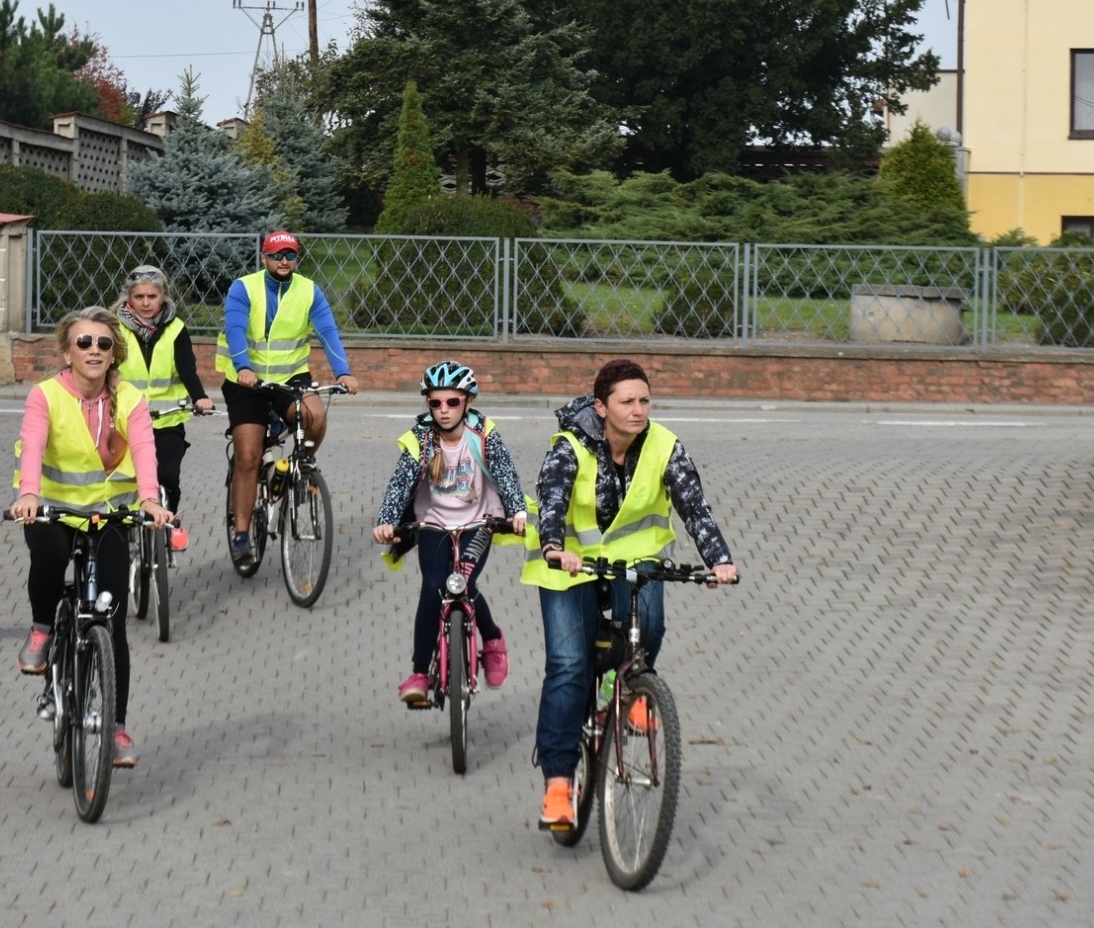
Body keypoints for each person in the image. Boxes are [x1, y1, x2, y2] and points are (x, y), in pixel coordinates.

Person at [526, 358, 738, 829]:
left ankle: (626, 691)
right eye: (627, 401)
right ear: (601, 407)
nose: (639, 410)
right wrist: (555, 546)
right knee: (567, 667)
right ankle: (559, 784)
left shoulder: (665, 446)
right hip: (569, 564)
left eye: (645, 400)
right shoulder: (570, 446)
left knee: (650, 624)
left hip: (632, 559)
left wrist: (718, 559)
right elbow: (553, 496)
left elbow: (694, 506)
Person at [10, 306, 174, 769]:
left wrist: (149, 500)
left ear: (114, 352)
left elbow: (144, 448)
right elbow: (34, 444)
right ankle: (43, 629)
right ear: (67, 351)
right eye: (84, 343)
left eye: (103, 343)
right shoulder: (45, 396)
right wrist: (28, 494)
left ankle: (116, 727)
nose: (94, 350)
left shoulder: (130, 399)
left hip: (109, 516)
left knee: (114, 621)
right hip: (53, 509)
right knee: (48, 557)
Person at [373, 360, 529, 703]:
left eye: (452, 402)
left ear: (468, 402)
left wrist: (517, 511)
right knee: (432, 585)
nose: (444, 411)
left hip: (479, 523)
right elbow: (400, 483)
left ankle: (491, 641)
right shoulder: (422, 438)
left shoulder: (484, 433)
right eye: (435, 403)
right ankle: (419, 672)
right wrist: (387, 520)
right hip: (434, 523)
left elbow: (505, 472)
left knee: (465, 584)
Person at [219, 230, 358, 565]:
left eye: (290, 255)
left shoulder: (309, 290)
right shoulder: (244, 287)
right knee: (249, 456)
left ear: (297, 259)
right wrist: (243, 367)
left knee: (315, 418)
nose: (284, 261)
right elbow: (235, 329)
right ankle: (241, 535)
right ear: (264, 257)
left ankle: (300, 469)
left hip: (290, 377)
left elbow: (327, 332)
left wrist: (343, 372)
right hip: (246, 381)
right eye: (277, 255)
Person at [116, 264, 214, 550]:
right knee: (123, 480)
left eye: (152, 297)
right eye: (139, 297)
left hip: (167, 420)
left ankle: (170, 522)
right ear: (128, 299)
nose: (146, 303)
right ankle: (121, 530)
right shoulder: (113, 327)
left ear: (163, 298)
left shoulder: (175, 328)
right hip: (125, 421)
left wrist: (199, 398)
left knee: (167, 475)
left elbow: (187, 369)